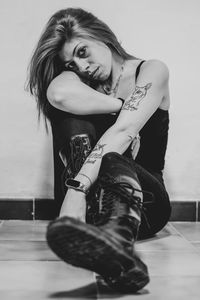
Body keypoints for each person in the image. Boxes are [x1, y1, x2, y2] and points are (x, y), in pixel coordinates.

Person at [27, 7, 171, 293]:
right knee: (69, 116)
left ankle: (115, 242)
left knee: (115, 154)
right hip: (83, 206)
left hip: (144, 203)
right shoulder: (80, 82)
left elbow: (124, 131)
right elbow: (58, 94)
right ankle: (114, 255)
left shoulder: (152, 70)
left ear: (100, 35)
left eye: (82, 52)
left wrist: (76, 189)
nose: (82, 67)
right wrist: (121, 106)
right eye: (71, 65)